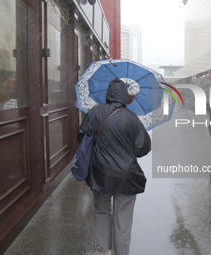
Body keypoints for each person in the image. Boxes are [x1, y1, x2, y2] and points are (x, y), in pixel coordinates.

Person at [77, 78, 151, 255]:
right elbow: (143, 148)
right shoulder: (132, 118)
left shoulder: (94, 112)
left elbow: (82, 138)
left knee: (101, 210)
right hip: (126, 175)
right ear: (125, 97)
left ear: (107, 94)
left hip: (100, 173)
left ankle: (106, 250)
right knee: (122, 219)